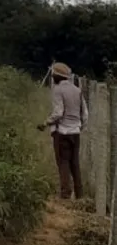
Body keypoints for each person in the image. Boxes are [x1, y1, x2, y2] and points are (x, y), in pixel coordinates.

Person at [37, 62, 88, 199]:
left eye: (53, 74)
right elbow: (85, 114)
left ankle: (65, 194)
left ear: (57, 76)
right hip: (75, 132)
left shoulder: (58, 90)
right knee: (74, 163)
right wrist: (79, 127)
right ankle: (79, 195)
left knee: (63, 162)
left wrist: (46, 122)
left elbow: (59, 112)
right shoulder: (77, 90)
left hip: (62, 132)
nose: (52, 76)